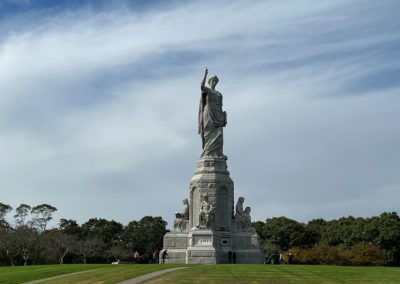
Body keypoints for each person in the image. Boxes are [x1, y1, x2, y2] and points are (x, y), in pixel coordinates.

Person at [198, 68, 227, 158]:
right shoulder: (207, 91)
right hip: (208, 114)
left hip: (218, 115)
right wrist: (205, 75)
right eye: (212, 81)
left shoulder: (219, 94)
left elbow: (220, 106)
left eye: (215, 81)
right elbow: (201, 86)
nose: (214, 82)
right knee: (208, 133)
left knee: (219, 134)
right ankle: (207, 153)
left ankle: (218, 153)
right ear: (209, 82)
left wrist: (223, 115)